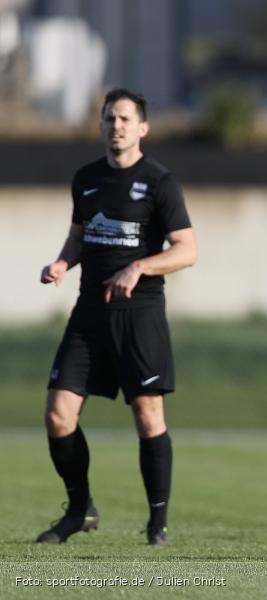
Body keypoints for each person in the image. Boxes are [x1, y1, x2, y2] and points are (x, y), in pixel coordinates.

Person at [37, 88, 197, 546]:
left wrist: (141, 265)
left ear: (142, 127)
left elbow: (187, 250)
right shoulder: (85, 179)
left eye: (125, 119)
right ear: (102, 125)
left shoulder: (161, 182)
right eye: (109, 119)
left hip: (139, 315)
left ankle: (157, 523)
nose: (117, 126)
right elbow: (78, 235)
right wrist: (62, 263)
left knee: (148, 416)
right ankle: (79, 509)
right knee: (58, 415)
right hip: (88, 314)